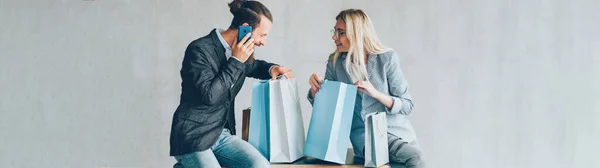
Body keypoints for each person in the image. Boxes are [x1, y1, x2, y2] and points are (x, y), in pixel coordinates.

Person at [169, 0, 293, 167]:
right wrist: (235, 60)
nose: (264, 42)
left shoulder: (242, 51)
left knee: (261, 165)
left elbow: (252, 66)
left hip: (221, 134)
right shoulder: (199, 50)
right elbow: (210, 96)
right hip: (193, 136)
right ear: (245, 28)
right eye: (262, 35)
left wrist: (272, 69)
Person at [307, 9, 424, 168]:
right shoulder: (335, 64)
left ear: (357, 34)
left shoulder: (386, 58)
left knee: (416, 157)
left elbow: (407, 105)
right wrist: (315, 91)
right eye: (335, 32)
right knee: (415, 156)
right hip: (365, 139)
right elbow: (328, 110)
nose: (334, 37)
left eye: (340, 33)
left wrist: (376, 94)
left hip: (397, 133)